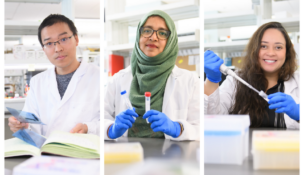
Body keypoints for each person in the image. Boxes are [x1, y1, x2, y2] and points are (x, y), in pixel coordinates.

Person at [104, 10, 200, 141]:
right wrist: (111, 129)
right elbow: (100, 119)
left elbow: (200, 128)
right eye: (147, 30)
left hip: (172, 157)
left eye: (162, 33)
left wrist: (178, 128)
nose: (153, 37)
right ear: (139, 35)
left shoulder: (190, 80)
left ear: (170, 40)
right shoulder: (117, 80)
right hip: (126, 156)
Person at [8, 14, 100, 137]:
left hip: (86, 154)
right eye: (49, 43)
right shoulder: (37, 82)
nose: (57, 48)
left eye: (63, 39)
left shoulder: (98, 76)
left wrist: (89, 128)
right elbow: (31, 125)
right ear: (43, 49)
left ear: (76, 39)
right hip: (46, 154)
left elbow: (108, 123)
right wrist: (22, 126)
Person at [204, 22, 299, 129]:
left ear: (287, 52)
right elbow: (212, 120)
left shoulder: (299, 82)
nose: (271, 53)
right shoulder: (235, 81)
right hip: (241, 145)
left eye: (278, 47)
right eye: (263, 46)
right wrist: (211, 80)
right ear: (254, 49)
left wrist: (300, 114)